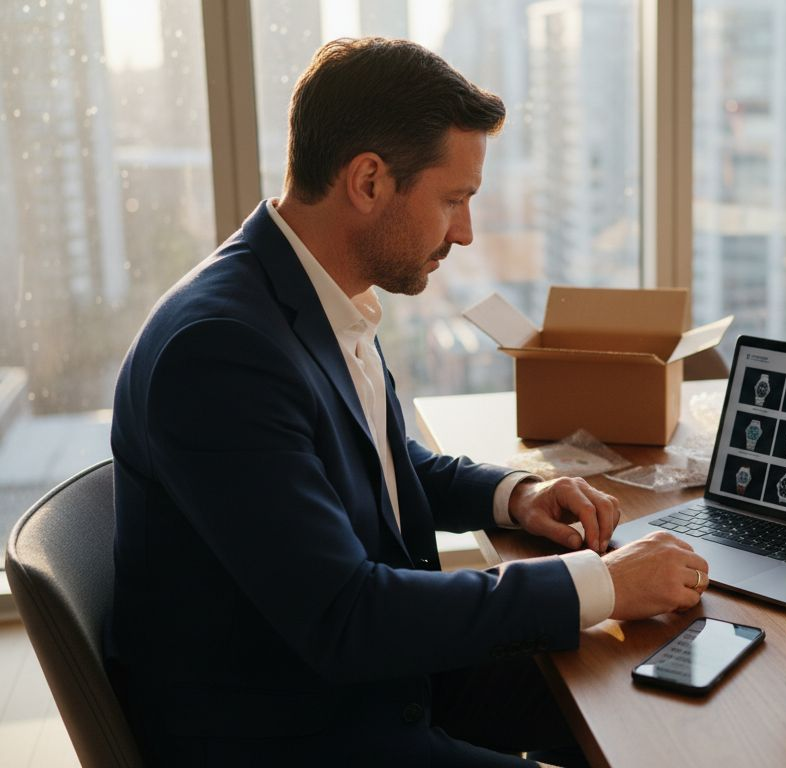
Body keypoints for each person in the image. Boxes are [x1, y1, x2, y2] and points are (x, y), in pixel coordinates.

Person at [107, 37, 709, 766]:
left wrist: (516, 497)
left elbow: (379, 463)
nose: (465, 231)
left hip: (367, 671)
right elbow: (346, 617)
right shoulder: (220, 352)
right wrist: (602, 581)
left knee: (653, 712)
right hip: (292, 726)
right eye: (453, 200)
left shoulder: (311, 289)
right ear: (368, 182)